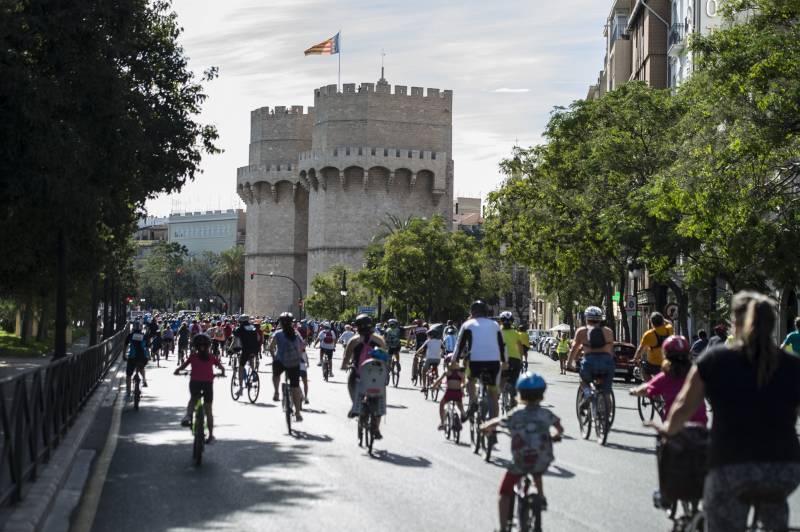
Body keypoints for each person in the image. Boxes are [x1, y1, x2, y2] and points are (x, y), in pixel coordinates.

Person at [660, 291, 800, 531]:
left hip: (731, 464)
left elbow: (683, 408)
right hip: (785, 467)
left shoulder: (715, 360)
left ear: (735, 324)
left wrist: (667, 432)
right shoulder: (793, 366)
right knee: (775, 505)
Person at [481, 372, 563, 531]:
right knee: (537, 469)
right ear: (541, 394)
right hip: (542, 459)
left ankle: (503, 528)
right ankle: (540, 496)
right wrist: (555, 435)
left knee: (504, 492)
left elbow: (499, 421)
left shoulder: (517, 414)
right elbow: (559, 428)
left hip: (520, 460)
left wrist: (486, 426)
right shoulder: (546, 414)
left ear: (520, 393)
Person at [629, 335, 707, 425]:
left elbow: (646, 389)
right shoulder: (697, 374)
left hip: (674, 427)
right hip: (700, 428)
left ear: (666, 355)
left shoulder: (665, 377)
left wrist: (633, 391)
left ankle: (658, 402)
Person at [454, 300, 506, 423]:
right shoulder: (495, 325)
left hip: (475, 361)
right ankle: (493, 427)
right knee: (493, 395)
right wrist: (505, 361)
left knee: (470, 380)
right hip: (493, 362)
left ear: (472, 312)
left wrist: (454, 360)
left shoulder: (468, 324)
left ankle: (472, 401)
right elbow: (502, 345)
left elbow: (459, 345)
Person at [341, 314, 387, 438]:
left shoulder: (354, 341)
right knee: (379, 400)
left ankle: (355, 406)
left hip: (358, 374)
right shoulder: (379, 340)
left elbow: (346, 357)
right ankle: (376, 428)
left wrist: (345, 365)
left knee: (351, 383)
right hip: (376, 375)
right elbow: (385, 357)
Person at [174, 333, 225, 444]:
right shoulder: (212, 357)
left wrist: (177, 371)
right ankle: (211, 436)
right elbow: (222, 368)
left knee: (193, 399)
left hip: (195, 382)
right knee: (209, 410)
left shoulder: (193, 357)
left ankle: (188, 416)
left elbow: (183, 366)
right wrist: (222, 373)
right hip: (208, 384)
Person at [566, 306, 615, 394]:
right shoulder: (609, 332)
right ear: (600, 319)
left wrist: (569, 363)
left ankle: (588, 393)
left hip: (590, 362)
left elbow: (574, 349)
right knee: (606, 391)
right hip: (607, 362)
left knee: (583, 380)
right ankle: (608, 404)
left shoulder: (581, 331)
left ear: (586, 319)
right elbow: (611, 351)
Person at [268, 312, 305, 421]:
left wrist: (273, 357)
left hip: (280, 361)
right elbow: (302, 347)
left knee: (275, 374)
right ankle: (298, 413)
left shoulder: (278, 334)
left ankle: (276, 392)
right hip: (294, 362)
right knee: (295, 386)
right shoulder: (296, 333)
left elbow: (271, 347)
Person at [633, 312, 674, 381]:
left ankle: (651, 385)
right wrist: (663, 319)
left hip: (653, 364)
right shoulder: (669, 329)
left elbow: (640, 349)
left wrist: (635, 359)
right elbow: (670, 322)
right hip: (667, 363)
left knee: (644, 370)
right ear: (662, 321)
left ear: (651, 323)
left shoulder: (648, 334)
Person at [429, 356, 465, 430]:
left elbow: (438, 380)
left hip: (449, 392)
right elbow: (464, 382)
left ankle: (442, 422)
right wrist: (462, 388)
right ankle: (463, 413)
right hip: (458, 392)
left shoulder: (447, 372)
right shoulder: (460, 373)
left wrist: (433, 386)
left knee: (441, 404)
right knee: (460, 405)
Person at [499, 312, 525, 401]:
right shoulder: (516, 333)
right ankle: (513, 398)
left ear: (501, 322)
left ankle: (497, 395)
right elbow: (520, 348)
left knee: (499, 378)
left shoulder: (498, 332)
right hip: (515, 360)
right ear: (512, 322)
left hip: (501, 360)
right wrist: (521, 360)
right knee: (514, 380)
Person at [233, 315, 260, 399]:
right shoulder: (253, 327)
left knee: (241, 367)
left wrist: (231, 349)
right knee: (251, 359)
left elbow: (235, 339)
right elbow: (258, 338)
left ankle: (241, 389)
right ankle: (253, 372)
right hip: (255, 349)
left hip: (246, 350)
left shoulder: (240, 329)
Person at [125, 321, 149, 400]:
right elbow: (147, 347)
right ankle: (144, 380)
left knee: (128, 375)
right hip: (143, 357)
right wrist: (148, 356)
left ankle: (128, 394)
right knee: (141, 367)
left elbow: (125, 345)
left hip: (132, 357)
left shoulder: (130, 335)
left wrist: (123, 355)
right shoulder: (144, 336)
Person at [417, 325, 444, 391]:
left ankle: (424, 386)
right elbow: (443, 349)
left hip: (429, 359)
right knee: (435, 368)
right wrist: (441, 354)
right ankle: (438, 381)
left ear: (431, 335)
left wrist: (416, 353)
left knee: (424, 371)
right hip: (438, 360)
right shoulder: (440, 341)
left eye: (428, 335)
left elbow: (421, 349)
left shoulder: (428, 341)